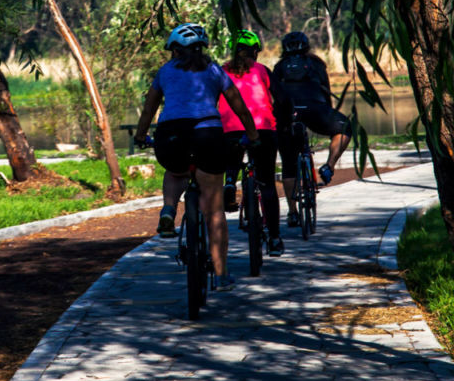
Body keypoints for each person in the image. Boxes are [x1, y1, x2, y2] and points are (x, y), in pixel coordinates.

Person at [134, 23, 259, 291]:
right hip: (209, 135)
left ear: (175, 50)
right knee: (214, 211)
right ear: (202, 49)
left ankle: (168, 210)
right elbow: (240, 107)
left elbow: (148, 110)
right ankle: (222, 274)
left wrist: (140, 136)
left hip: (171, 136)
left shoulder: (165, 72)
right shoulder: (215, 70)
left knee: (175, 170)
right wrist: (253, 135)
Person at [218, 30, 286, 257]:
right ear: (255, 51)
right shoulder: (263, 70)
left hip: (229, 129)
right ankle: (275, 239)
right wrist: (284, 122)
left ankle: (229, 181)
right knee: (266, 183)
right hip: (263, 130)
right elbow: (283, 100)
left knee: (231, 157)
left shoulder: (219, 71)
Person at [272, 30, 350, 226]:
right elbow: (326, 91)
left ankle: (292, 212)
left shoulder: (279, 66)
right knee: (345, 128)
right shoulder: (316, 64)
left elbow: (273, 95)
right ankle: (329, 166)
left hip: (288, 115)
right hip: (316, 110)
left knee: (289, 165)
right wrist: (329, 115)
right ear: (307, 46)